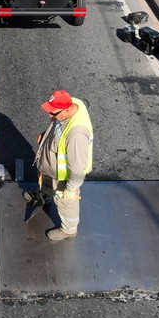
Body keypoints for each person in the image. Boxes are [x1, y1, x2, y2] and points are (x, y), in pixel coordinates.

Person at [34, 90, 93, 241]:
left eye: (53, 113)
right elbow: (57, 127)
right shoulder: (71, 104)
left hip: (63, 176)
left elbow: (77, 167)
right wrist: (45, 134)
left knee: (66, 201)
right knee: (45, 182)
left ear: (66, 109)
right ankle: (44, 197)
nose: (50, 116)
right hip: (49, 167)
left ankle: (69, 229)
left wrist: (71, 189)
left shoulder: (77, 135)